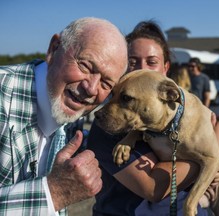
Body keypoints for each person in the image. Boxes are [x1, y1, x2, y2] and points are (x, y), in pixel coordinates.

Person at [87, 20, 219, 216]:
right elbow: (154, 188)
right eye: (132, 62)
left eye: (152, 62)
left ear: (166, 68)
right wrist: (216, 148)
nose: (141, 69)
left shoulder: (183, 108)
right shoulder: (111, 122)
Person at [0, 17, 128, 215]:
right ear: (54, 48)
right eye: (85, 66)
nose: (91, 89)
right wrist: (54, 193)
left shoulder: (70, 112)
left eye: (106, 83)